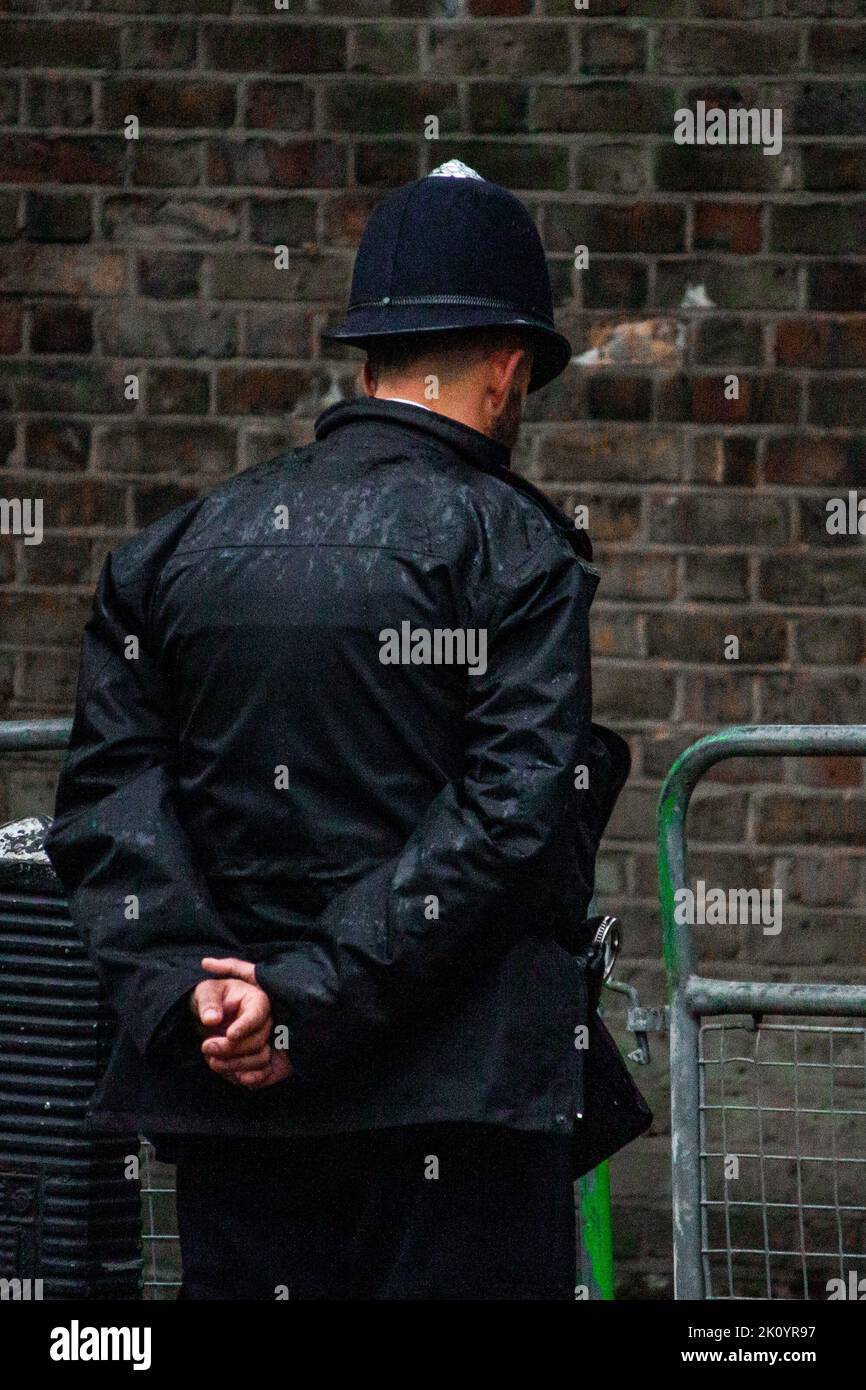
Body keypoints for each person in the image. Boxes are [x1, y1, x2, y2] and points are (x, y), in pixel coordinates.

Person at [44, 162, 640, 1301]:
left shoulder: (171, 553)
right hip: (457, 1117)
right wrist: (305, 998)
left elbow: (108, 806)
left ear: (366, 363)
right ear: (509, 369)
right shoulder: (514, 549)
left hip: (235, 1111)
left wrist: (198, 994)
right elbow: (511, 817)